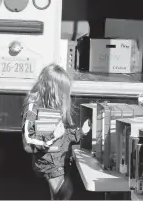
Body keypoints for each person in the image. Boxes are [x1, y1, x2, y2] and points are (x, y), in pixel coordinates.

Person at [22, 64, 91, 200]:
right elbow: (28, 142)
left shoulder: (54, 106)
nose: (66, 95)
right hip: (49, 163)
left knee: (60, 195)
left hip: (60, 159)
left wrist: (81, 132)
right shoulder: (32, 108)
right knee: (65, 193)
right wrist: (52, 136)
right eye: (64, 91)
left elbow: (63, 136)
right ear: (53, 89)